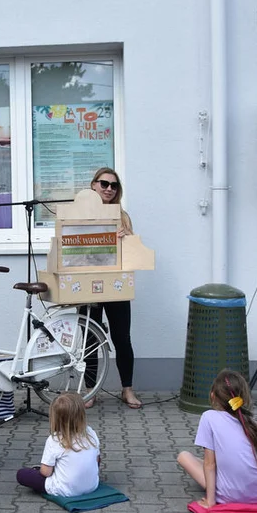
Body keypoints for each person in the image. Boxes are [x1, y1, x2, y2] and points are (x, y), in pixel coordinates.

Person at [83, 167, 142, 408]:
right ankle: (90, 391)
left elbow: (133, 254)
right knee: (89, 339)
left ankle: (127, 390)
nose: (109, 188)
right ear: (93, 185)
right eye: (104, 183)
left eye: (114, 185)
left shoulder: (122, 215)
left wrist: (127, 237)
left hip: (116, 284)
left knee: (122, 338)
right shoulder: (80, 213)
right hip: (86, 283)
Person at [176, 370, 257, 507]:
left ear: (213, 396)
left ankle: (219, 492)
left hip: (230, 495)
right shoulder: (251, 419)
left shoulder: (209, 417)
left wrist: (210, 501)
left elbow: (210, 464)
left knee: (184, 456)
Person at [15, 393, 100, 497]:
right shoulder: (90, 432)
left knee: (22, 474)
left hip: (65, 490)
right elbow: (97, 461)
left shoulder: (55, 439)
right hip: (92, 486)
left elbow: (46, 473)